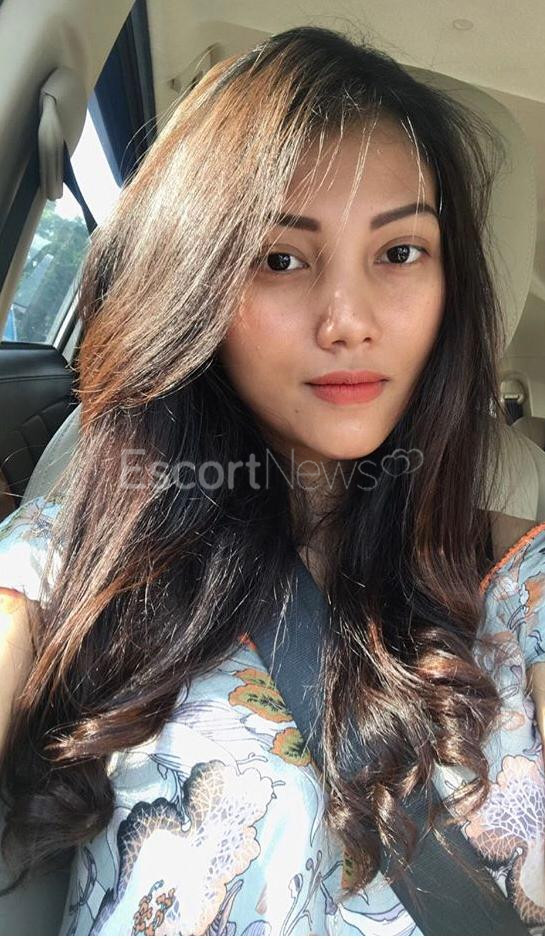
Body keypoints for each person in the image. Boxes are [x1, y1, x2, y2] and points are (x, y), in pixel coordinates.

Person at [0, 24, 544, 936]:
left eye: (399, 252)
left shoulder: (519, 584)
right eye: (280, 259)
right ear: (198, 285)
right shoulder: (81, 559)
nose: (347, 320)